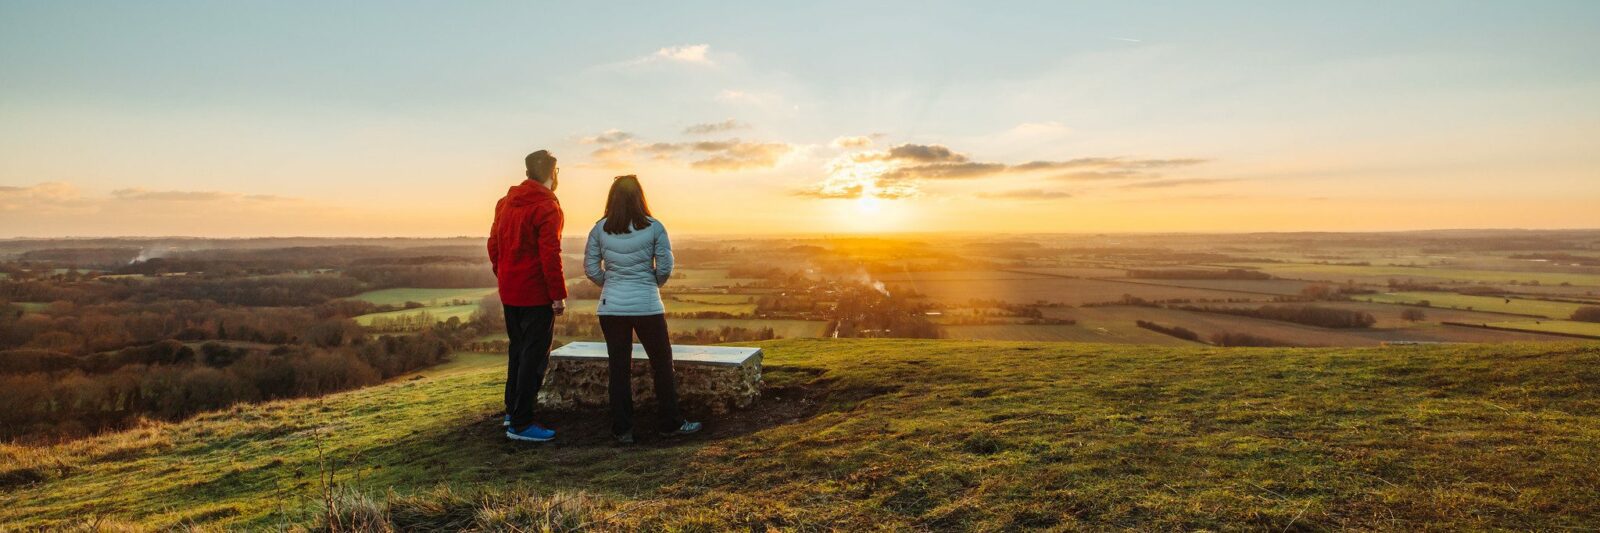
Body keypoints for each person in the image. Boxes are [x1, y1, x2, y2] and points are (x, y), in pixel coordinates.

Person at [584, 175, 702, 444]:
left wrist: (611, 284)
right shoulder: (654, 228)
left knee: (618, 368)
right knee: (662, 364)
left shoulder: (599, 229)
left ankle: (622, 429)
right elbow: (665, 267)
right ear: (640, 197)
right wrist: (651, 283)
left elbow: (591, 268)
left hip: (611, 308)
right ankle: (670, 423)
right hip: (647, 305)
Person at [489, 150, 568, 442]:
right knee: (534, 357)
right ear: (553, 172)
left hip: (510, 291)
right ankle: (521, 424)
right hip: (536, 293)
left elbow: (493, 244)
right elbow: (550, 255)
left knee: (518, 351)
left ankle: (512, 411)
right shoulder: (547, 207)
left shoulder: (505, 203)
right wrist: (557, 294)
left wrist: (504, 273)